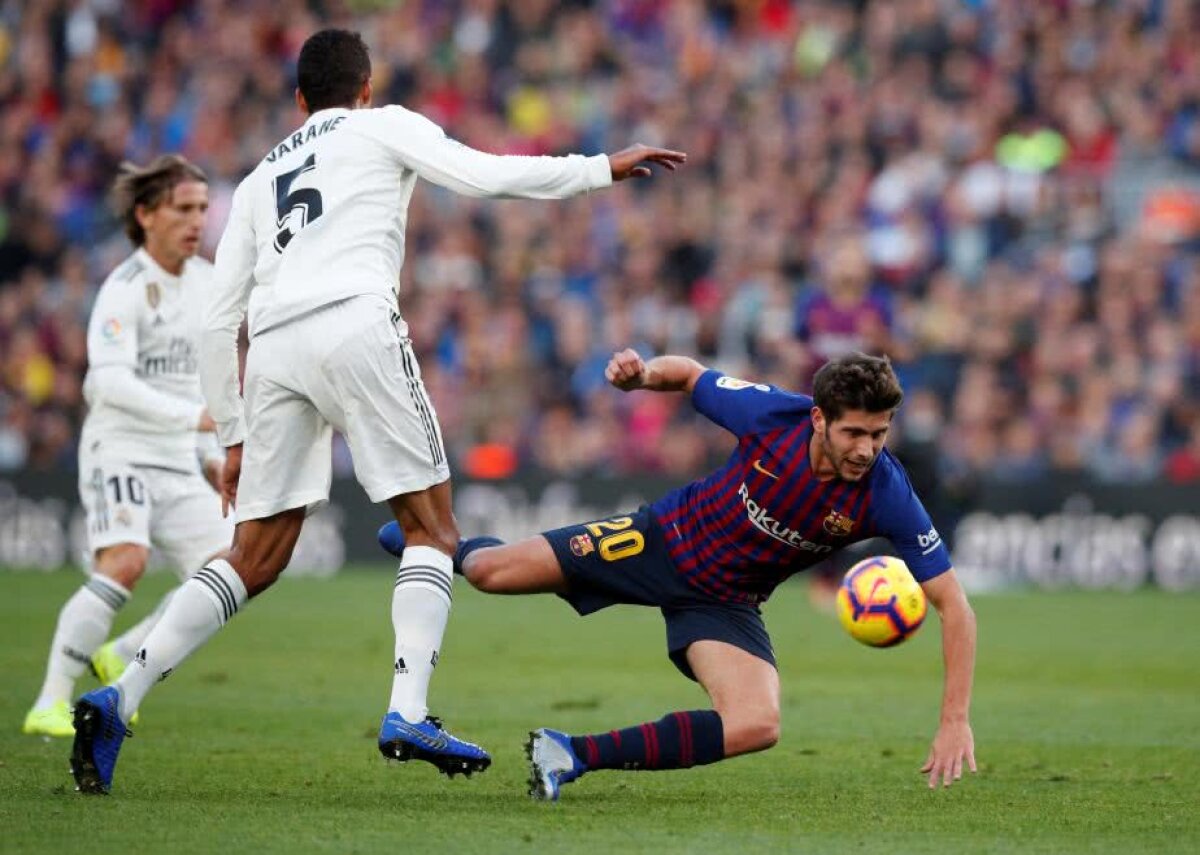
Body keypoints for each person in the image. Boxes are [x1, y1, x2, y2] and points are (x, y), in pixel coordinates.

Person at [68, 29, 685, 794]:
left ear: (300, 99)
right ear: (365, 87)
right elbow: (483, 173)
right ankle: (408, 710)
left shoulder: (258, 179)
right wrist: (599, 168)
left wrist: (232, 434)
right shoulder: (383, 124)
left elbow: (216, 320)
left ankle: (119, 695)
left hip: (274, 347)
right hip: (355, 321)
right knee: (431, 527)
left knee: (253, 555)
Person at [380, 348, 978, 800]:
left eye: (879, 433)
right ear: (819, 419)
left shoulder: (886, 493)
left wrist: (954, 720)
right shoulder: (774, 415)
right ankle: (434, 546)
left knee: (757, 724)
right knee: (488, 572)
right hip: (660, 540)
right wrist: (643, 376)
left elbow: (954, 605)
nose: (866, 449)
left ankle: (568, 754)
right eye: (854, 433)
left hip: (725, 601)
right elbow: (690, 375)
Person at [24, 155, 231, 737]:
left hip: (179, 455)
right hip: (120, 448)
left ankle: (123, 654)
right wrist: (194, 421)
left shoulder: (207, 283)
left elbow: (199, 378)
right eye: (183, 209)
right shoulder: (124, 288)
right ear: (145, 215)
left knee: (230, 566)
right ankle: (50, 702)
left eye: (202, 209)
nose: (197, 221)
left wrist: (211, 457)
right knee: (126, 561)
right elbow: (108, 382)